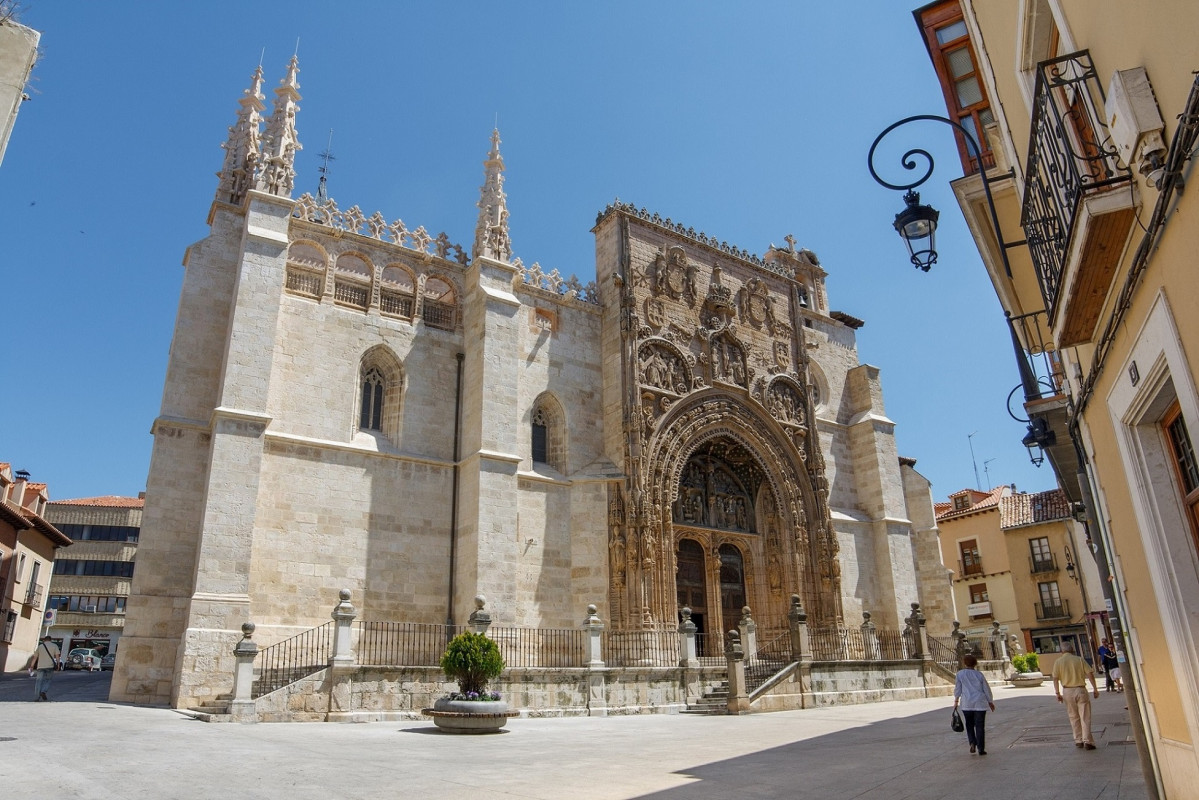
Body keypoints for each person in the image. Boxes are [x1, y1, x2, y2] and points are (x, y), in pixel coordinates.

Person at [1051, 640, 1100, 749]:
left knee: (1073, 716)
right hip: (1080, 689)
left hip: (1067, 691)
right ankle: (1087, 740)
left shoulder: (1058, 662)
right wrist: (1095, 689)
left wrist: (1057, 693)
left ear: (1061, 651)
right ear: (1072, 650)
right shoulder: (1079, 659)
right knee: (1085, 716)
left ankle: (1078, 739)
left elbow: (1055, 678)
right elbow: (1090, 674)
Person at [954, 653, 995, 755]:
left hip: (967, 703)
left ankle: (972, 742)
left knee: (969, 724)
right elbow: (986, 689)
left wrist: (956, 700)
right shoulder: (979, 675)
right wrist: (990, 701)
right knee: (980, 726)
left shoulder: (960, 674)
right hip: (979, 703)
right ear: (975, 663)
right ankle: (981, 748)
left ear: (965, 663)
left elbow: (958, 689)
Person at [24, 634, 60, 702]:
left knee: (38, 681)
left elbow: (35, 657)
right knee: (48, 680)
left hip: (40, 666)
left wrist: (31, 666)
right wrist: (58, 664)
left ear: (44, 640)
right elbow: (57, 656)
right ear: (50, 640)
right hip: (50, 666)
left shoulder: (40, 646)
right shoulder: (54, 646)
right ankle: (43, 691)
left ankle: (37, 697)